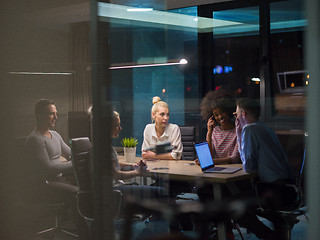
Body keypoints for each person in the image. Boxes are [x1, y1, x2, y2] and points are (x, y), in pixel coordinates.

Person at [25, 99, 90, 240]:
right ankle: (85, 234)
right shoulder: (35, 139)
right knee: (76, 192)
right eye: (51, 114)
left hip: (60, 179)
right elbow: (48, 169)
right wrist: (74, 164)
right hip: (45, 184)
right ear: (39, 115)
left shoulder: (56, 135)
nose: (56, 117)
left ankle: (90, 228)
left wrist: (81, 157)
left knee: (87, 186)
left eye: (56, 113)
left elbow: (73, 154)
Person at [234, 98, 295, 239]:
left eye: (236, 114)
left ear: (243, 114)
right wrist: (239, 134)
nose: (236, 118)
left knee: (233, 206)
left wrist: (239, 134)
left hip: (274, 191)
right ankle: (276, 231)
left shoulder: (249, 129)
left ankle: (268, 235)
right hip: (289, 188)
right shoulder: (264, 127)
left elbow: (248, 167)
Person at [109, 110, 167, 201]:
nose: (120, 128)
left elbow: (113, 164)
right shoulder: (103, 148)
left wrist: (132, 165)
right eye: (117, 125)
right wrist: (137, 172)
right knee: (162, 192)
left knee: (155, 189)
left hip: (118, 187)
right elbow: (116, 175)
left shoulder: (105, 145)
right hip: (115, 191)